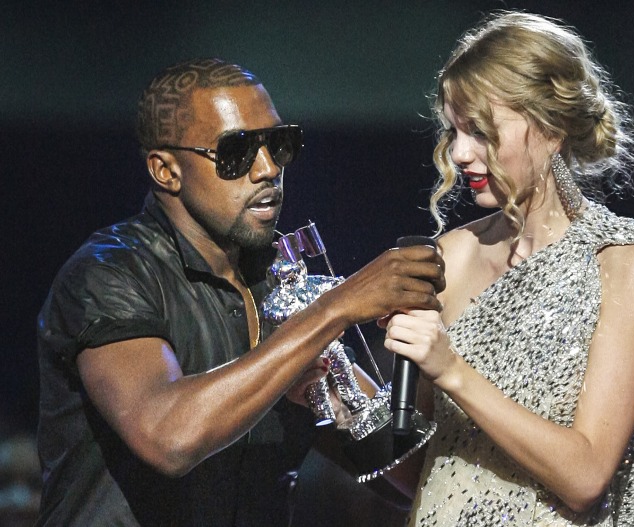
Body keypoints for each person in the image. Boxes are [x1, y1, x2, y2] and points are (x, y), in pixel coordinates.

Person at [36, 57, 445, 526]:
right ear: (166, 170)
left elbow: (415, 481)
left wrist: (369, 396)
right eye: (237, 152)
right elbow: (168, 438)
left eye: (279, 144)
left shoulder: (279, 284)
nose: (268, 168)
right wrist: (334, 310)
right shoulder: (110, 272)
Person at [382, 11, 634, 526]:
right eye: (453, 132)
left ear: (552, 127)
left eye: (479, 131)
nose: (459, 153)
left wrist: (451, 370)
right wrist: (342, 397)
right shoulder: (454, 253)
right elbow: (423, 470)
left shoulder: (626, 261)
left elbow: (586, 476)